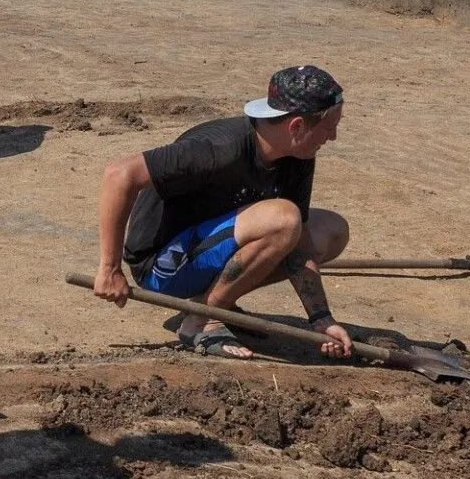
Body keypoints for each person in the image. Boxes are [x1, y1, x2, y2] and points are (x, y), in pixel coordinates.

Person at [93, 65, 355, 360]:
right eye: (328, 127)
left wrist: (321, 318)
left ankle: (213, 301)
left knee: (329, 231)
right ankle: (202, 319)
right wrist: (109, 269)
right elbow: (119, 174)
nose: (332, 137)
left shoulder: (296, 154)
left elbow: (301, 241)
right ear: (296, 126)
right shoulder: (218, 148)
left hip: (207, 247)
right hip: (162, 266)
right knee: (284, 219)